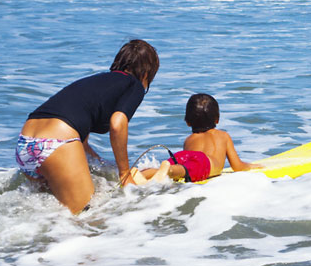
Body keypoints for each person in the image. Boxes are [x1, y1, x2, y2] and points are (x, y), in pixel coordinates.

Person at [15, 39, 159, 214]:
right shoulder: (133, 85)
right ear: (146, 73)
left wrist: (101, 164)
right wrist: (124, 173)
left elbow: (78, 131)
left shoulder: (95, 82)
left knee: (51, 217)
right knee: (88, 216)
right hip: (56, 144)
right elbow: (117, 123)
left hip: (26, 144)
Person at [131, 93, 259, 184]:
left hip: (184, 155)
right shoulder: (223, 136)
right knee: (179, 170)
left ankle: (140, 174)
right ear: (217, 119)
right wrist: (251, 166)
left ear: (188, 122)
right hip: (204, 162)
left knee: (174, 168)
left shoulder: (189, 139)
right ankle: (168, 169)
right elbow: (237, 166)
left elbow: (188, 162)